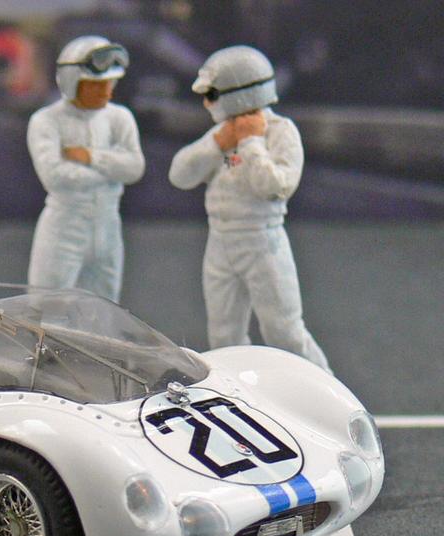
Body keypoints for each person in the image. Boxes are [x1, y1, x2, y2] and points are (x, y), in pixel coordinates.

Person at [168, 45, 330, 370]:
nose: (207, 103)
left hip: (262, 242)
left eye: (212, 94)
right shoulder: (221, 135)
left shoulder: (280, 132)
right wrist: (218, 143)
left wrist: (251, 142)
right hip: (220, 241)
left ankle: (328, 387)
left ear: (240, 93)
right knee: (224, 335)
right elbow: (180, 175)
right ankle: (236, 391)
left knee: (284, 331)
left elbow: (274, 187)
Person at [26, 35, 145, 303]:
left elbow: (135, 168)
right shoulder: (46, 121)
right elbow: (55, 176)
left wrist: (90, 157)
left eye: (109, 84)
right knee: (47, 305)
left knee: (105, 307)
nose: (106, 92)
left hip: (108, 227)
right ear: (72, 82)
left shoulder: (119, 118)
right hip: (64, 227)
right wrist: (111, 172)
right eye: (96, 85)